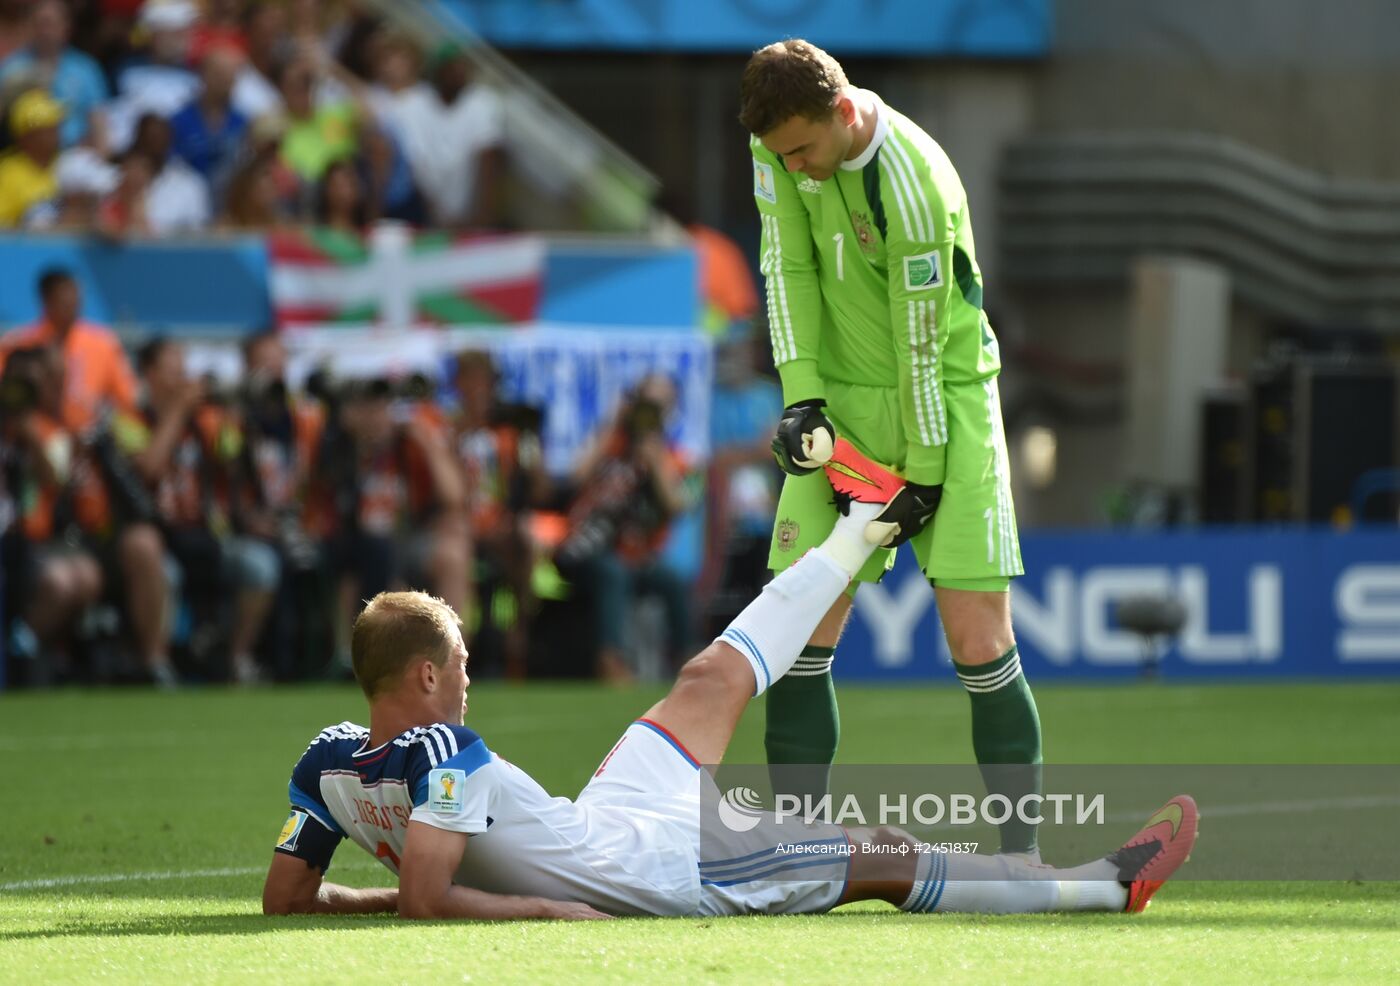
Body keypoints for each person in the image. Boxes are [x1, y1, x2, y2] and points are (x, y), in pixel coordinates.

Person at [260, 445, 1197, 919]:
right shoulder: (444, 747)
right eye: (461, 667)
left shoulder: (330, 759)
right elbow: (430, 899)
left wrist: (362, 899)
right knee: (878, 851)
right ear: (426, 673)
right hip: (656, 868)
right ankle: (1103, 889)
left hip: (610, 812)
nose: (469, 685)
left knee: (710, 675)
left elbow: (288, 898)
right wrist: (549, 910)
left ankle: (862, 531)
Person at [739, 40, 1043, 857]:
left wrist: (927, 477)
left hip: (946, 402)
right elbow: (785, 266)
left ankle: (1020, 860)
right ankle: (795, 855)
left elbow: (918, 349)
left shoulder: (913, 183)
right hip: (841, 406)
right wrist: (802, 394)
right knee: (800, 629)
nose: (794, 169)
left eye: (804, 150)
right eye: (780, 155)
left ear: (843, 114)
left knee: (978, 640)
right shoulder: (779, 144)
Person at [0, 268, 138, 432]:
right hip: (31, 441)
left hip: (88, 441)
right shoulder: (18, 344)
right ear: (46, 300)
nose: (72, 305)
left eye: (76, 299)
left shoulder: (103, 343)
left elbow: (127, 401)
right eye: (64, 300)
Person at [0, 0, 109, 151]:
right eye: (40, 24)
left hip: (75, 155)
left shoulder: (86, 69)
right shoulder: (11, 67)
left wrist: (99, 157)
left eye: (50, 24)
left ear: (66, 27)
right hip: (23, 157)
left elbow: (100, 124)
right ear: (29, 26)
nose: (45, 31)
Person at [0, 88, 64, 228]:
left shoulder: (69, 164)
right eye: (47, 129)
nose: (55, 133)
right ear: (26, 137)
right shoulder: (6, 173)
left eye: (56, 126)